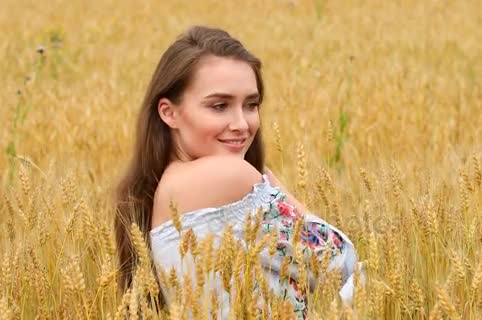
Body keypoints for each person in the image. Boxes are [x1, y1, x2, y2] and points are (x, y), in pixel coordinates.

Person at [114, 26, 359, 319]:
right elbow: (338, 262)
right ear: (169, 112)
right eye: (220, 106)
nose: (242, 123)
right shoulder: (227, 175)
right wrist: (273, 185)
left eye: (251, 104)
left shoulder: (167, 185)